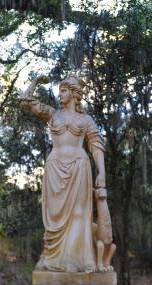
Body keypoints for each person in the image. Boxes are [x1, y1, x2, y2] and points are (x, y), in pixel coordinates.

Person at [19, 74, 110, 273]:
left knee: (79, 215)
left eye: (63, 90)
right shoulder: (53, 114)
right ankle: (53, 259)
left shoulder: (85, 119)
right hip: (54, 169)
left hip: (79, 167)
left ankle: (76, 260)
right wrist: (35, 81)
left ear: (74, 94)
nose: (59, 94)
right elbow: (25, 101)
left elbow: (96, 145)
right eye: (60, 90)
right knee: (54, 218)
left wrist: (101, 173)